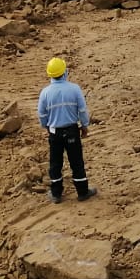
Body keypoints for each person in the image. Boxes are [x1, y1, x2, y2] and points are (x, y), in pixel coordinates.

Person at [37, 57, 96, 203]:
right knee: (76, 161)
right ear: (65, 72)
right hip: (72, 131)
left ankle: (56, 194)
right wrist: (84, 125)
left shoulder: (45, 93)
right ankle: (82, 192)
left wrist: (46, 127)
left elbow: (41, 114)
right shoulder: (74, 89)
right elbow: (82, 110)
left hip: (54, 133)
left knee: (55, 163)